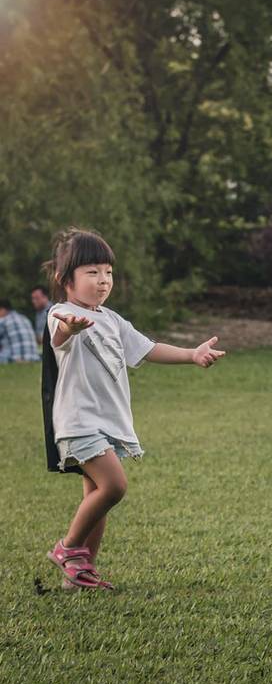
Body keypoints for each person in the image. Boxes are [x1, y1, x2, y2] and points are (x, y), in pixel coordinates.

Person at [42, 228, 226, 590]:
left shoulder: (111, 319)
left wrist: (191, 354)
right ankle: (67, 548)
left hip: (106, 422)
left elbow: (147, 348)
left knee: (97, 495)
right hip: (79, 422)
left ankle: (80, 575)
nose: (103, 280)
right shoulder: (61, 312)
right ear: (66, 280)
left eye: (108, 272)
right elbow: (58, 335)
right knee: (114, 486)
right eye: (92, 272)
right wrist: (70, 327)